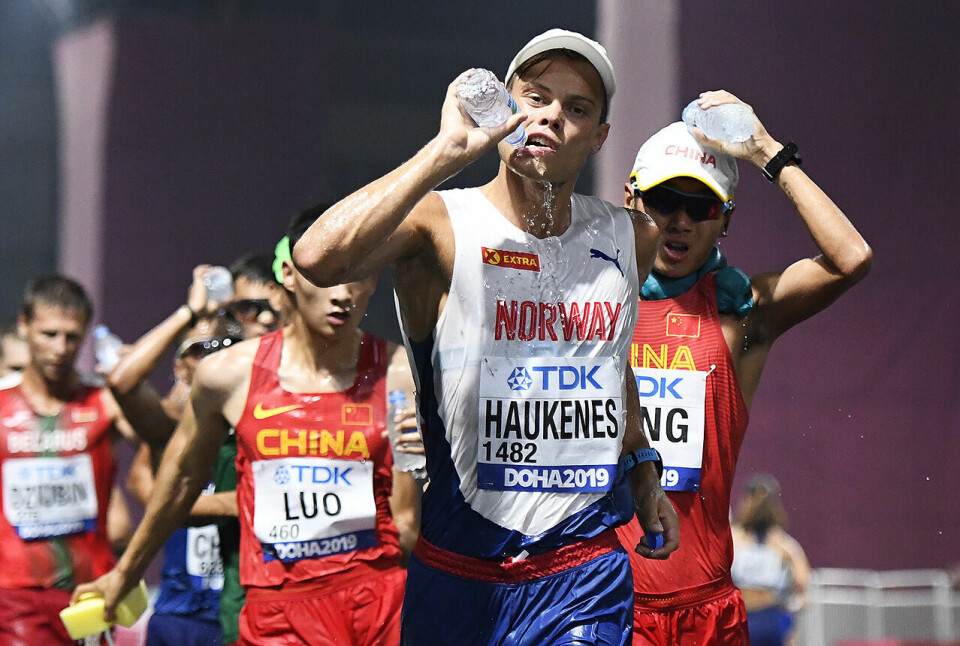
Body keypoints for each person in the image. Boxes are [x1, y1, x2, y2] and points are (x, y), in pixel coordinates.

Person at [292, 28, 678, 645]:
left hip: (582, 571)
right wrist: (445, 151)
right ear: (506, 107)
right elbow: (317, 259)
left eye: (576, 109)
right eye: (536, 97)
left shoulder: (630, 236)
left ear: (600, 137)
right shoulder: (441, 223)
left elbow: (610, 361)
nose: (551, 116)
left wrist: (642, 468)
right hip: (460, 571)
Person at [74, 210, 422, 646]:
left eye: (359, 274)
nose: (344, 294)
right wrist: (125, 573)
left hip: (376, 605)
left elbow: (409, 526)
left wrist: (427, 467)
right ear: (289, 276)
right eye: (330, 275)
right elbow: (180, 480)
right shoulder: (228, 376)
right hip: (277, 611)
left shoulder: (403, 373)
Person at [616, 92, 872, 644]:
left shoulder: (742, 314)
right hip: (599, 602)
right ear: (632, 199)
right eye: (664, 200)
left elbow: (850, 257)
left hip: (703, 611)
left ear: (725, 218)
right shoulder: (593, 309)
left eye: (701, 206)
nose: (680, 221)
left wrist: (765, 151)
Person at [108, 269, 243, 646]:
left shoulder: (265, 423)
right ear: (179, 367)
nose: (214, 357)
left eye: (226, 346)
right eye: (200, 349)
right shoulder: (171, 428)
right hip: (180, 619)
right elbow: (123, 381)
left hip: (244, 612)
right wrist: (189, 312)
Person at [0, 274, 138, 645]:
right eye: (49, 334)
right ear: (24, 326)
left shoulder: (105, 401)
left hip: (89, 591)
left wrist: (134, 384)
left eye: (72, 336)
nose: (60, 348)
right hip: (14, 593)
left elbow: (168, 443)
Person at [731, 474, 811, 646]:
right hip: (742, 616)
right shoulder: (733, 539)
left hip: (768, 617)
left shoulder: (785, 546)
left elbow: (802, 583)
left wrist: (790, 614)